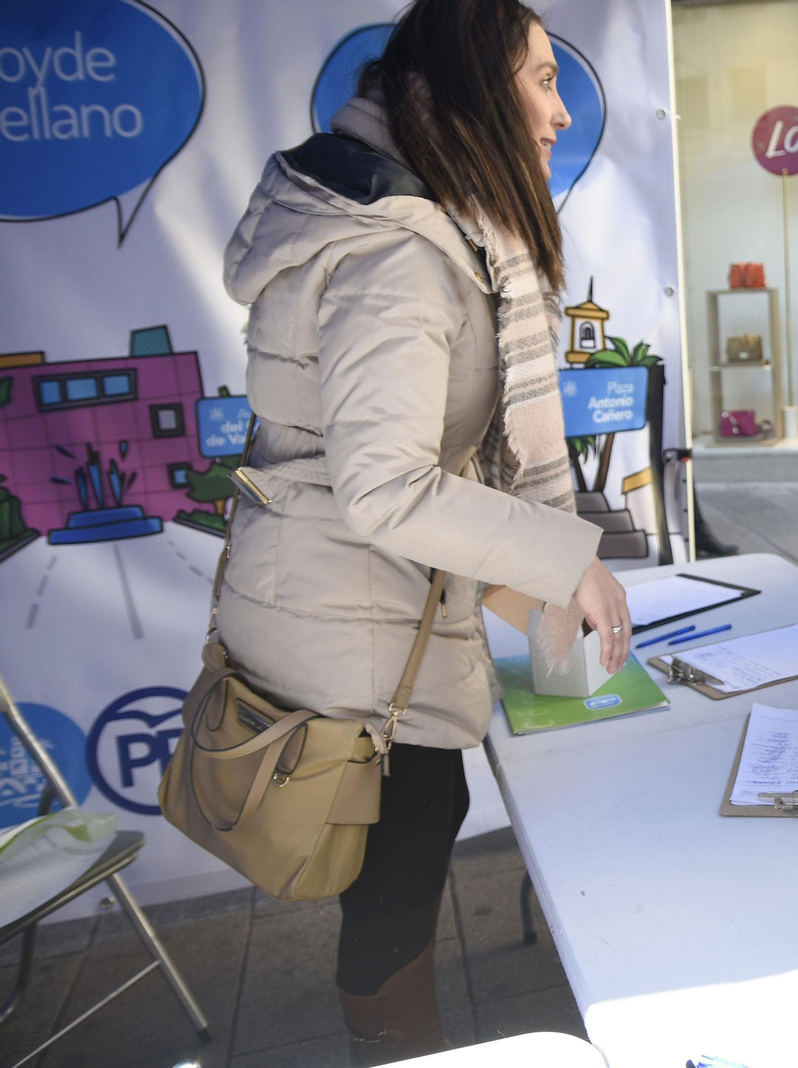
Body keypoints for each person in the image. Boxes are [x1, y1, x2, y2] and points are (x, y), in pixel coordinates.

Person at [219, 1, 630, 1061]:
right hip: (348, 616)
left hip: (349, 597)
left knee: (404, 847)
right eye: (540, 80)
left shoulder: (413, 217)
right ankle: (406, 1052)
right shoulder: (401, 249)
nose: (557, 109)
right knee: (402, 855)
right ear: (474, 84)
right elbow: (389, 488)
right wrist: (563, 556)